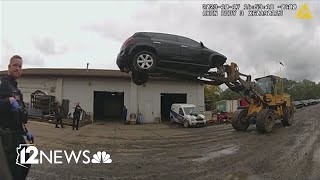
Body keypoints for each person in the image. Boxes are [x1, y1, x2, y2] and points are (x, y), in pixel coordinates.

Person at [0, 55, 33, 180]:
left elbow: (19, 115)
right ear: (9, 67)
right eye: (15, 65)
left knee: (25, 163)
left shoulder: (17, 91)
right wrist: (6, 101)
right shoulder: (2, 84)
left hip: (17, 134)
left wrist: (26, 131)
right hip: (5, 136)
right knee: (10, 170)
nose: (17, 68)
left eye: (20, 66)